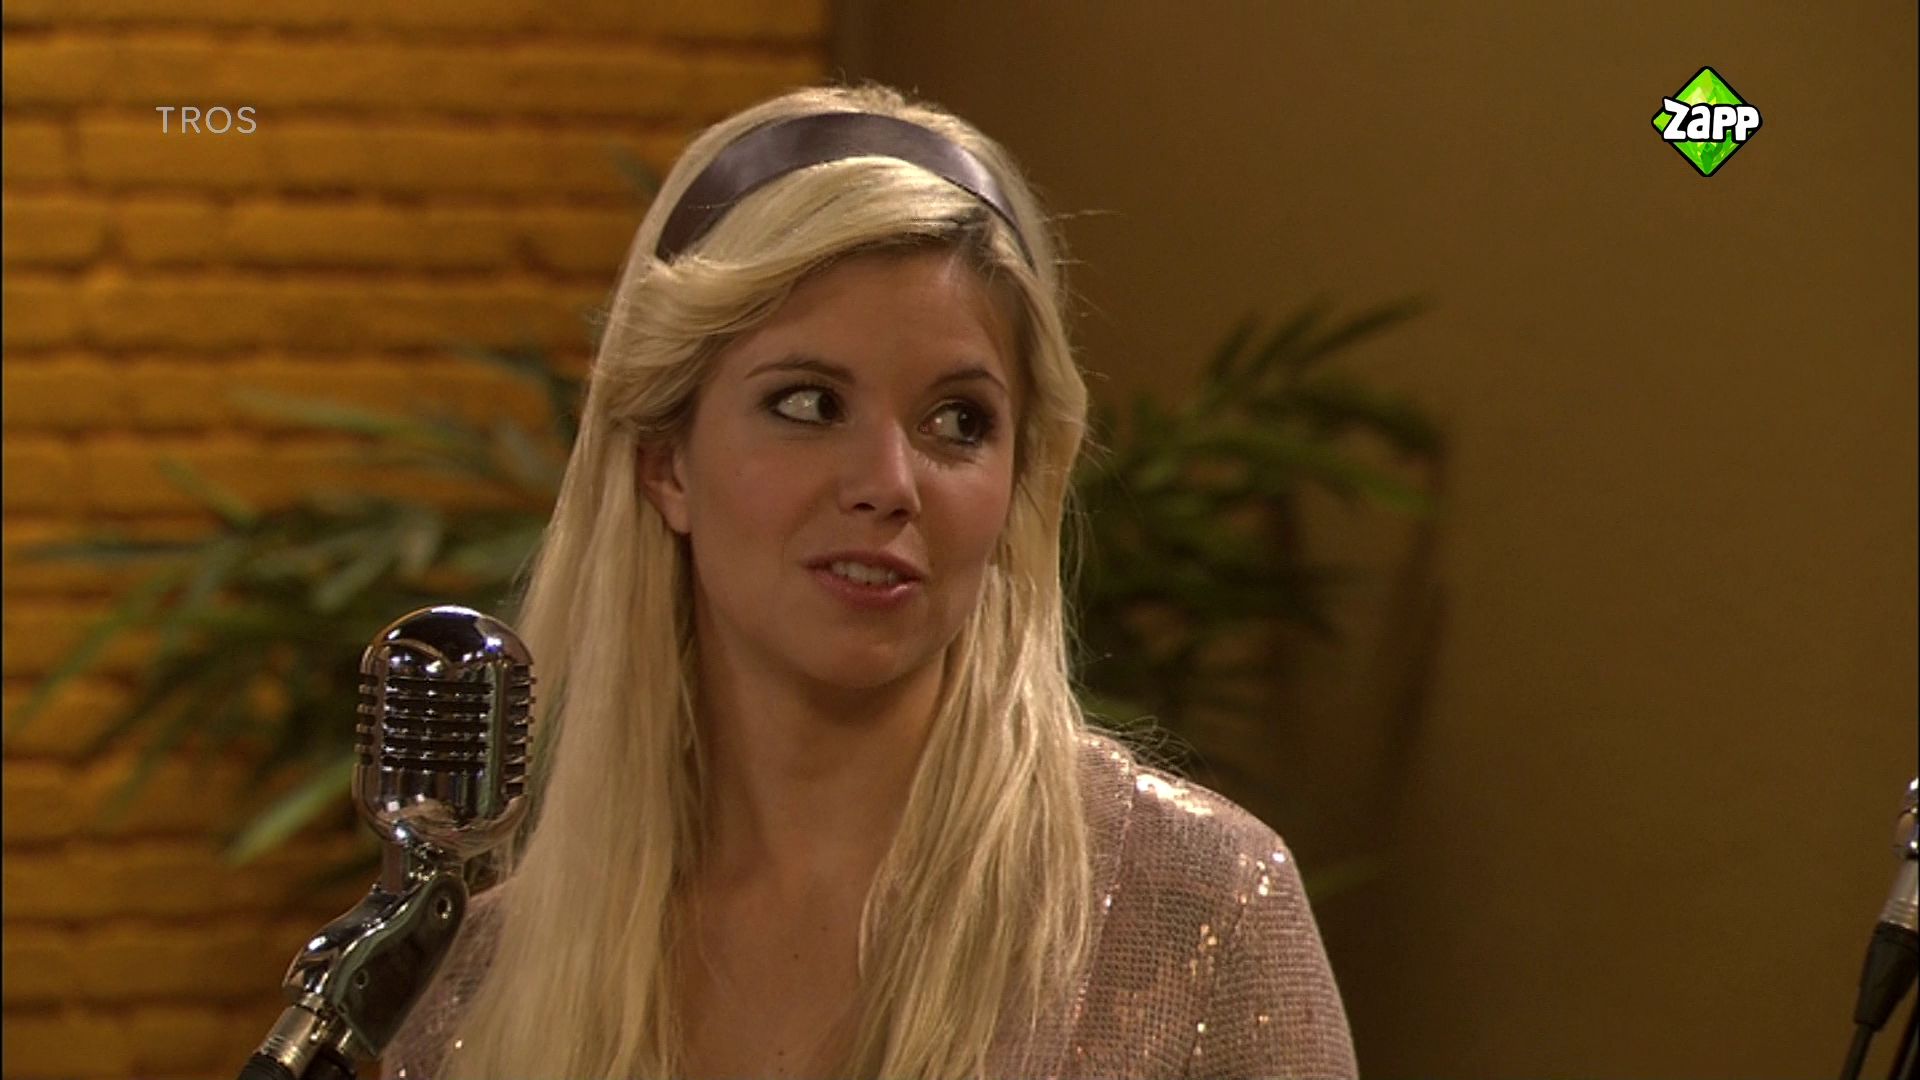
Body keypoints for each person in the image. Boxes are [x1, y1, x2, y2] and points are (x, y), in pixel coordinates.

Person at [382, 81, 1357, 1080]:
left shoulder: (1198, 908)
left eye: (958, 422)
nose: (889, 484)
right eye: (808, 404)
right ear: (665, 463)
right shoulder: (479, 995)